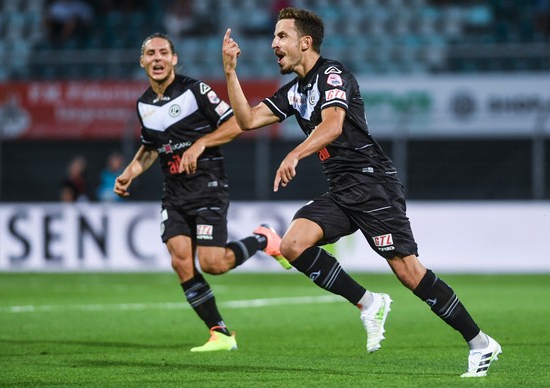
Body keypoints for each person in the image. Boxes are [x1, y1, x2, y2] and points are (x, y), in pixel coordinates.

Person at [182, 7, 502, 377]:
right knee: (292, 245)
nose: (273, 44)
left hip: (372, 184)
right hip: (341, 189)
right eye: (273, 37)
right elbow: (247, 120)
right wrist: (230, 71)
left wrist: (296, 153)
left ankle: (480, 343)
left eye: (281, 36)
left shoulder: (333, 75)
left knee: (409, 272)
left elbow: (333, 124)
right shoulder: (295, 91)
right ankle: (368, 303)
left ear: (306, 42)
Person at [113, 32, 291, 352]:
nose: (157, 58)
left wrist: (201, 142)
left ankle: (264, 238)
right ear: (142, 61)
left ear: (174, 59)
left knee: (213, 264)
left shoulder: (195, 90)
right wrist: (130, 172)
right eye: (150, 53)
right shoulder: (144, 104)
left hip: (208, 185)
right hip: (174, 191)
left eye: (163, 53)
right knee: (181, 261)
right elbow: (151, 148)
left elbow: (238, 123)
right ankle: (219, 332)